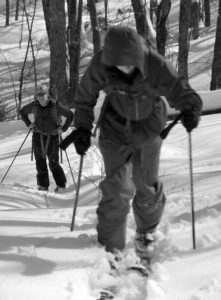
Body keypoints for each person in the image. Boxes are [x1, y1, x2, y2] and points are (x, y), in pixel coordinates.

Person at [68, 26, 202, 259]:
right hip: (114, 130)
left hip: (148, 129)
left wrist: (191, 107)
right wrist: (82, 127)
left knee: (146, 185)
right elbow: (85, 96)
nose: (126, 68)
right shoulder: (101, 63)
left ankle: (146, 232)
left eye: (130, 63)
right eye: (119, 64)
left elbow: (178, 88)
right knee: (117, 188)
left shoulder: (154, 63)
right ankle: (111, 247)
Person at [20, 84, 74, 192]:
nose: (40, 97)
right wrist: (28, 124)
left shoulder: (55, 105)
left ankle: (61, 185)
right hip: (37, 137)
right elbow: (22, 112)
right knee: (40, 162)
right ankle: (43, 186)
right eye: (38, 94)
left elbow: (70, 115)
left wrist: (63, 129)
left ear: (47, 94)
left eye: (42, 94)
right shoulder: (34, 105)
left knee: (53, 162)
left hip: (52, 137)